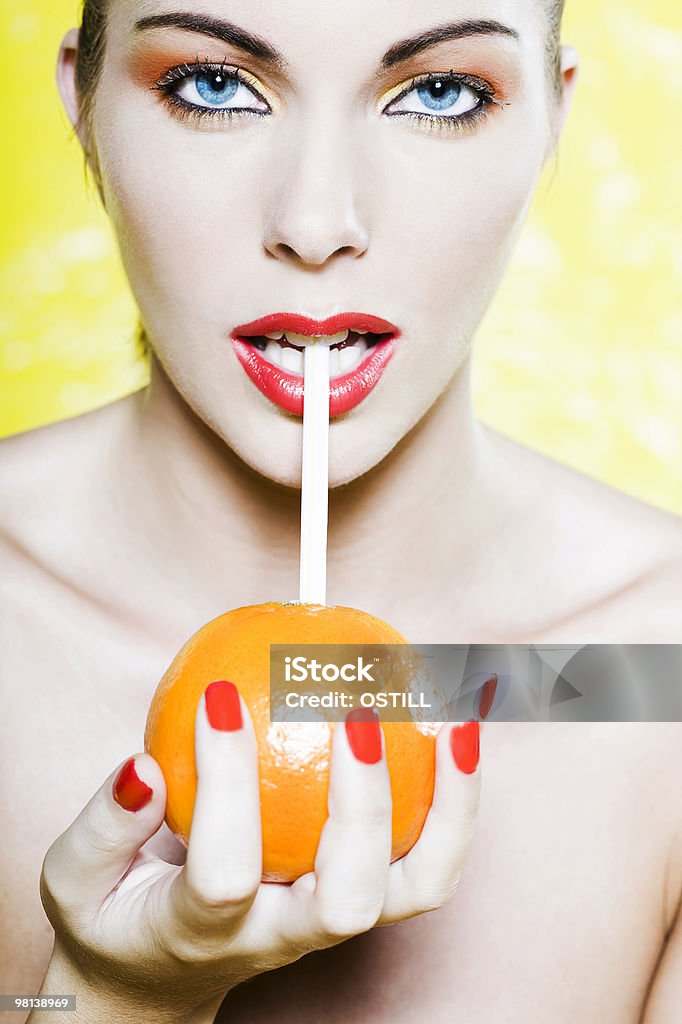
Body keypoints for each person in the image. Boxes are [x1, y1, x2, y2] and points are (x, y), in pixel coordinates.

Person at [2, 1, 681, 1021]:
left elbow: (597, 691)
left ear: (552, 123)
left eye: (440, 93)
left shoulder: (655, 672)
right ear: (84, 109)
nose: (317, 224)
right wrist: (105, 998)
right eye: (214, 85)